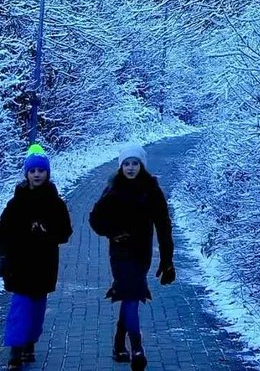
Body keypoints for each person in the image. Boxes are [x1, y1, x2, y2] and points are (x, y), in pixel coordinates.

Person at [89, 143, 176, 371]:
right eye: (126, 164)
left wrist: (167, 260)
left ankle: (119, 342)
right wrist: (114, 232)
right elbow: (95, 219)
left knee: (130, 295)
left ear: (141, 165)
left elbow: (164, 226)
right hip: (120, 253)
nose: (130, 168)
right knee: (130, 293)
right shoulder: (114, 188)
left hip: (141, 253)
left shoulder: (151, 189)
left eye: (134, 163)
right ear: (121, 166)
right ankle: (137, 348)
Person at [0, 149, 73, 367]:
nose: (37, 175)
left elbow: (65, 232)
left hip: (44, 264)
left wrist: (46, 231)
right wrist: (4, 255)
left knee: (37, 307)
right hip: (19, 263)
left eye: (41, 170)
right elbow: (1, 230)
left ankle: (29, 343)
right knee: (20, 306)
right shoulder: (16, 202)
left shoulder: (56, 203)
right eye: (32, 171)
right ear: (26, 174)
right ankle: (15, 351)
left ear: (47, 173)